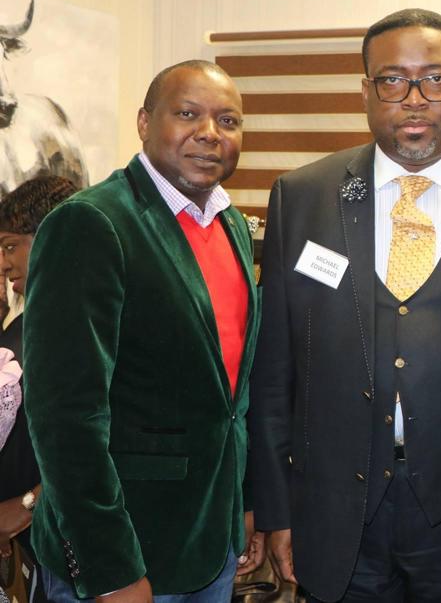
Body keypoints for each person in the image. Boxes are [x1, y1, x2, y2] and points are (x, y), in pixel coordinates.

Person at [249, 8, 441, 602]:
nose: (415, 99)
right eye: (393, 80)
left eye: (436, 79)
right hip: (336, 516)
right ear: (366, 92)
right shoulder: (303, 197)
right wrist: (275, 508)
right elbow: (274, 374)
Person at [22, 60, 264, 601]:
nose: (209, 133)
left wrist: (241, 506)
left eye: (227, 120)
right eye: (187, 114)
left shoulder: (230, 223)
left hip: (211, 546)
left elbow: (231, 396)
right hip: (126, 556)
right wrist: (109, 569)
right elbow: (65, 417)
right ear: (144, 122)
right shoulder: (92, 223)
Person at [0, 176, 77, 602]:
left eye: (11, 246)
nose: (4, 263)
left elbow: (106, 439)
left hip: (65, 549)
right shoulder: (26, 324)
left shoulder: (84, 328)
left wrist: (27, 505)